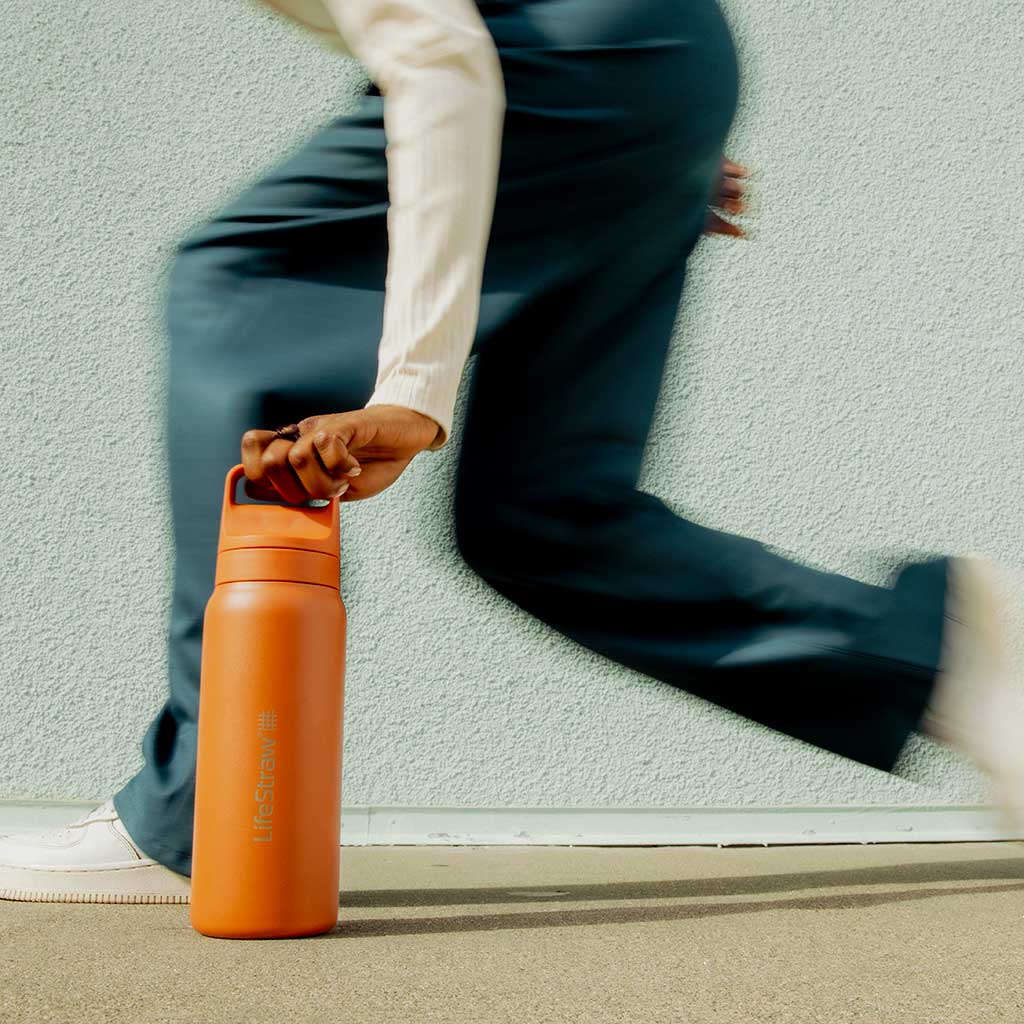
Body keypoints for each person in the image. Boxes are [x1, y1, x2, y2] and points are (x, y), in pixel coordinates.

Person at [1, 0, 1018, 904]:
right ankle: (932, 650)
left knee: (233, 285)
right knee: (541, 511)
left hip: (567, 63)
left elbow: (436, 52)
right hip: (653, 54)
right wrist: (650, 115)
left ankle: (210, 810)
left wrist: (411, 394)